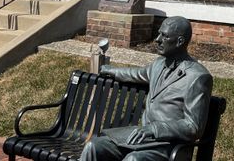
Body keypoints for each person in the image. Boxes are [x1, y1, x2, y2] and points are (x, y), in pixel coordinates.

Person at [80, 16, 212, 161]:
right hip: (142, 140)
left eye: (165, 36)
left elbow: (193, 126)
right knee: (93, 145)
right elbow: (135, 74)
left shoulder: (197, 77)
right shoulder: (159, 64)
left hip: (169, 147)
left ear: (180, 41)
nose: (157, 39)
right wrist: (110, 70)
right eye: (159, 33)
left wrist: (153, 129)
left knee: (133, 160)